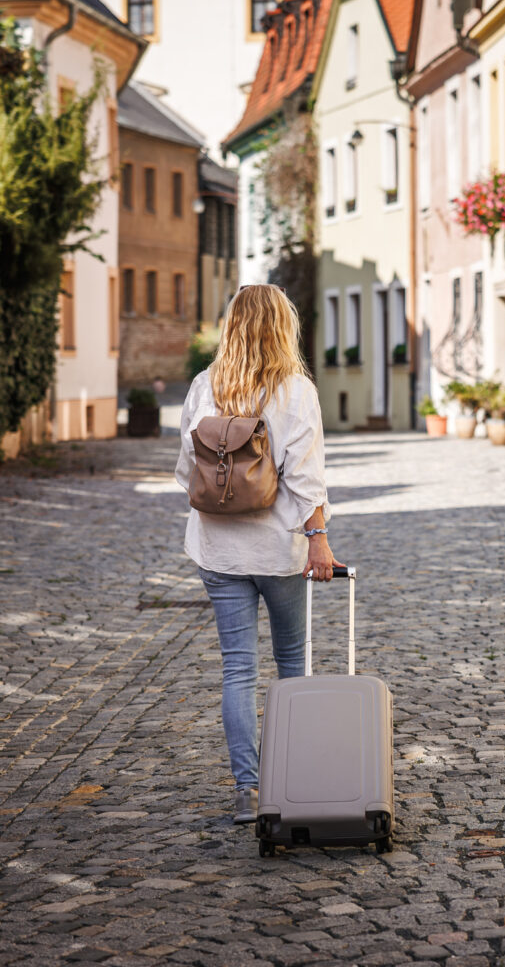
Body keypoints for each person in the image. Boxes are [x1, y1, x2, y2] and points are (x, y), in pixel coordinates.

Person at [174, 284, 341, 824]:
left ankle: (247, 789)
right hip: (280, 549)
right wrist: (318, 540)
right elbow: (306, 479)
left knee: (238, 670)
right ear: (282, 327)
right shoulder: (295, 390)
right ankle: (289, 779)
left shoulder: (205, 386)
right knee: (292, 661)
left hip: (218, 549)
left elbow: (186, 471)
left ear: (231, 327)